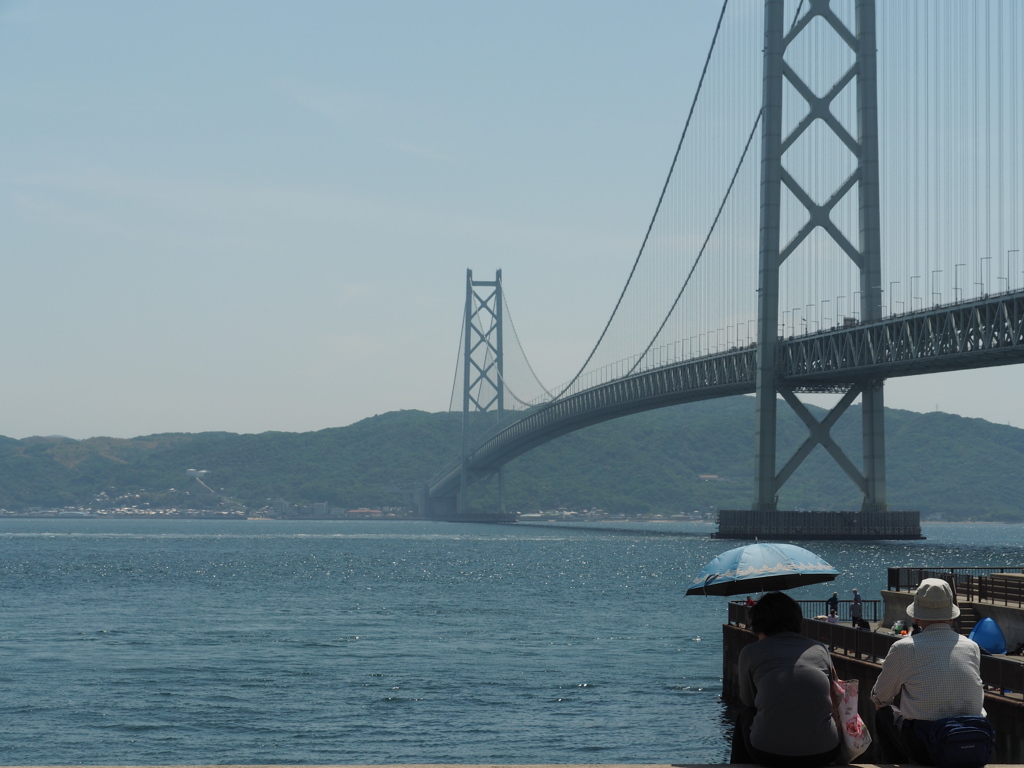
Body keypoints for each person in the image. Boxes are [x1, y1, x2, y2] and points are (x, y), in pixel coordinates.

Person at [870, 578, 986, 765]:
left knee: (884, 713)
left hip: (926, 744)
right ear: (950, 615)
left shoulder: (903, 648)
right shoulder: (971, 647)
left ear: (916, 616)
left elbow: (880, 698)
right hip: (972, 739)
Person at [731, 592, 840, 767]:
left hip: (768, 754)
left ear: (759, 624)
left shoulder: (751, 652)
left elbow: (748, 700)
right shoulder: (820, 649)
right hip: (824, 751)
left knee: (746, 715)